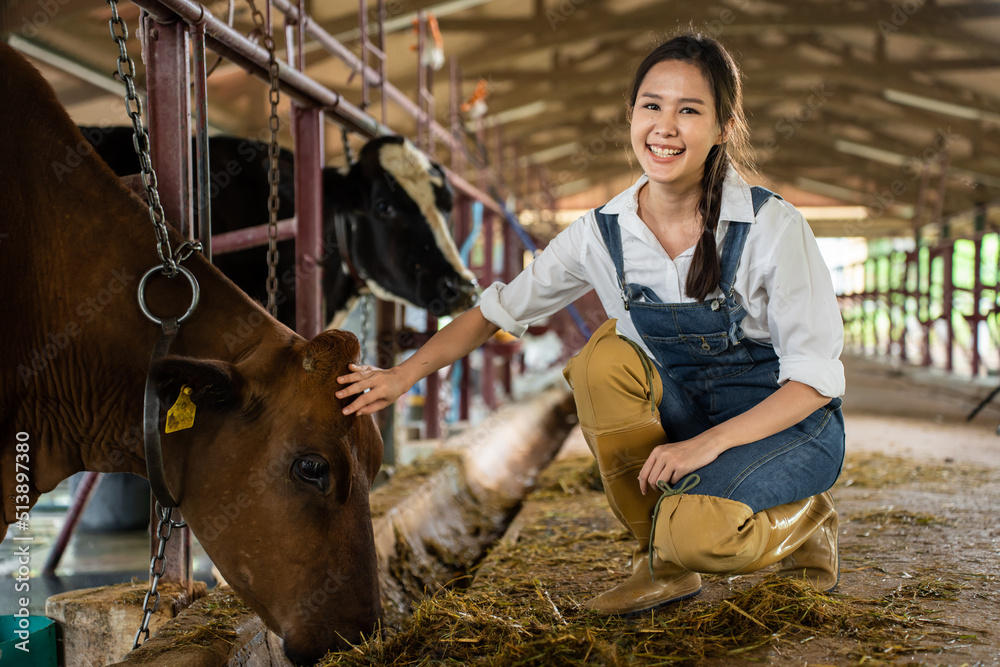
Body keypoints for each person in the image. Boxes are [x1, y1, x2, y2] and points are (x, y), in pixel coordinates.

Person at [336, 31, 845, 616]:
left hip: (786, 425)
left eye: (689, 110)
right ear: (631, 115)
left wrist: (705, 445)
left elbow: (814, 381)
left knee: (701, 534)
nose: (665, 127)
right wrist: (402, 376)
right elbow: (494, 312)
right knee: (602, 360)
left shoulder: (771, 227)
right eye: (652, 106)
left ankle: (808, 520)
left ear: (724, 126)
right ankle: (660, 566)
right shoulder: (600, 234)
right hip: (691, 413)